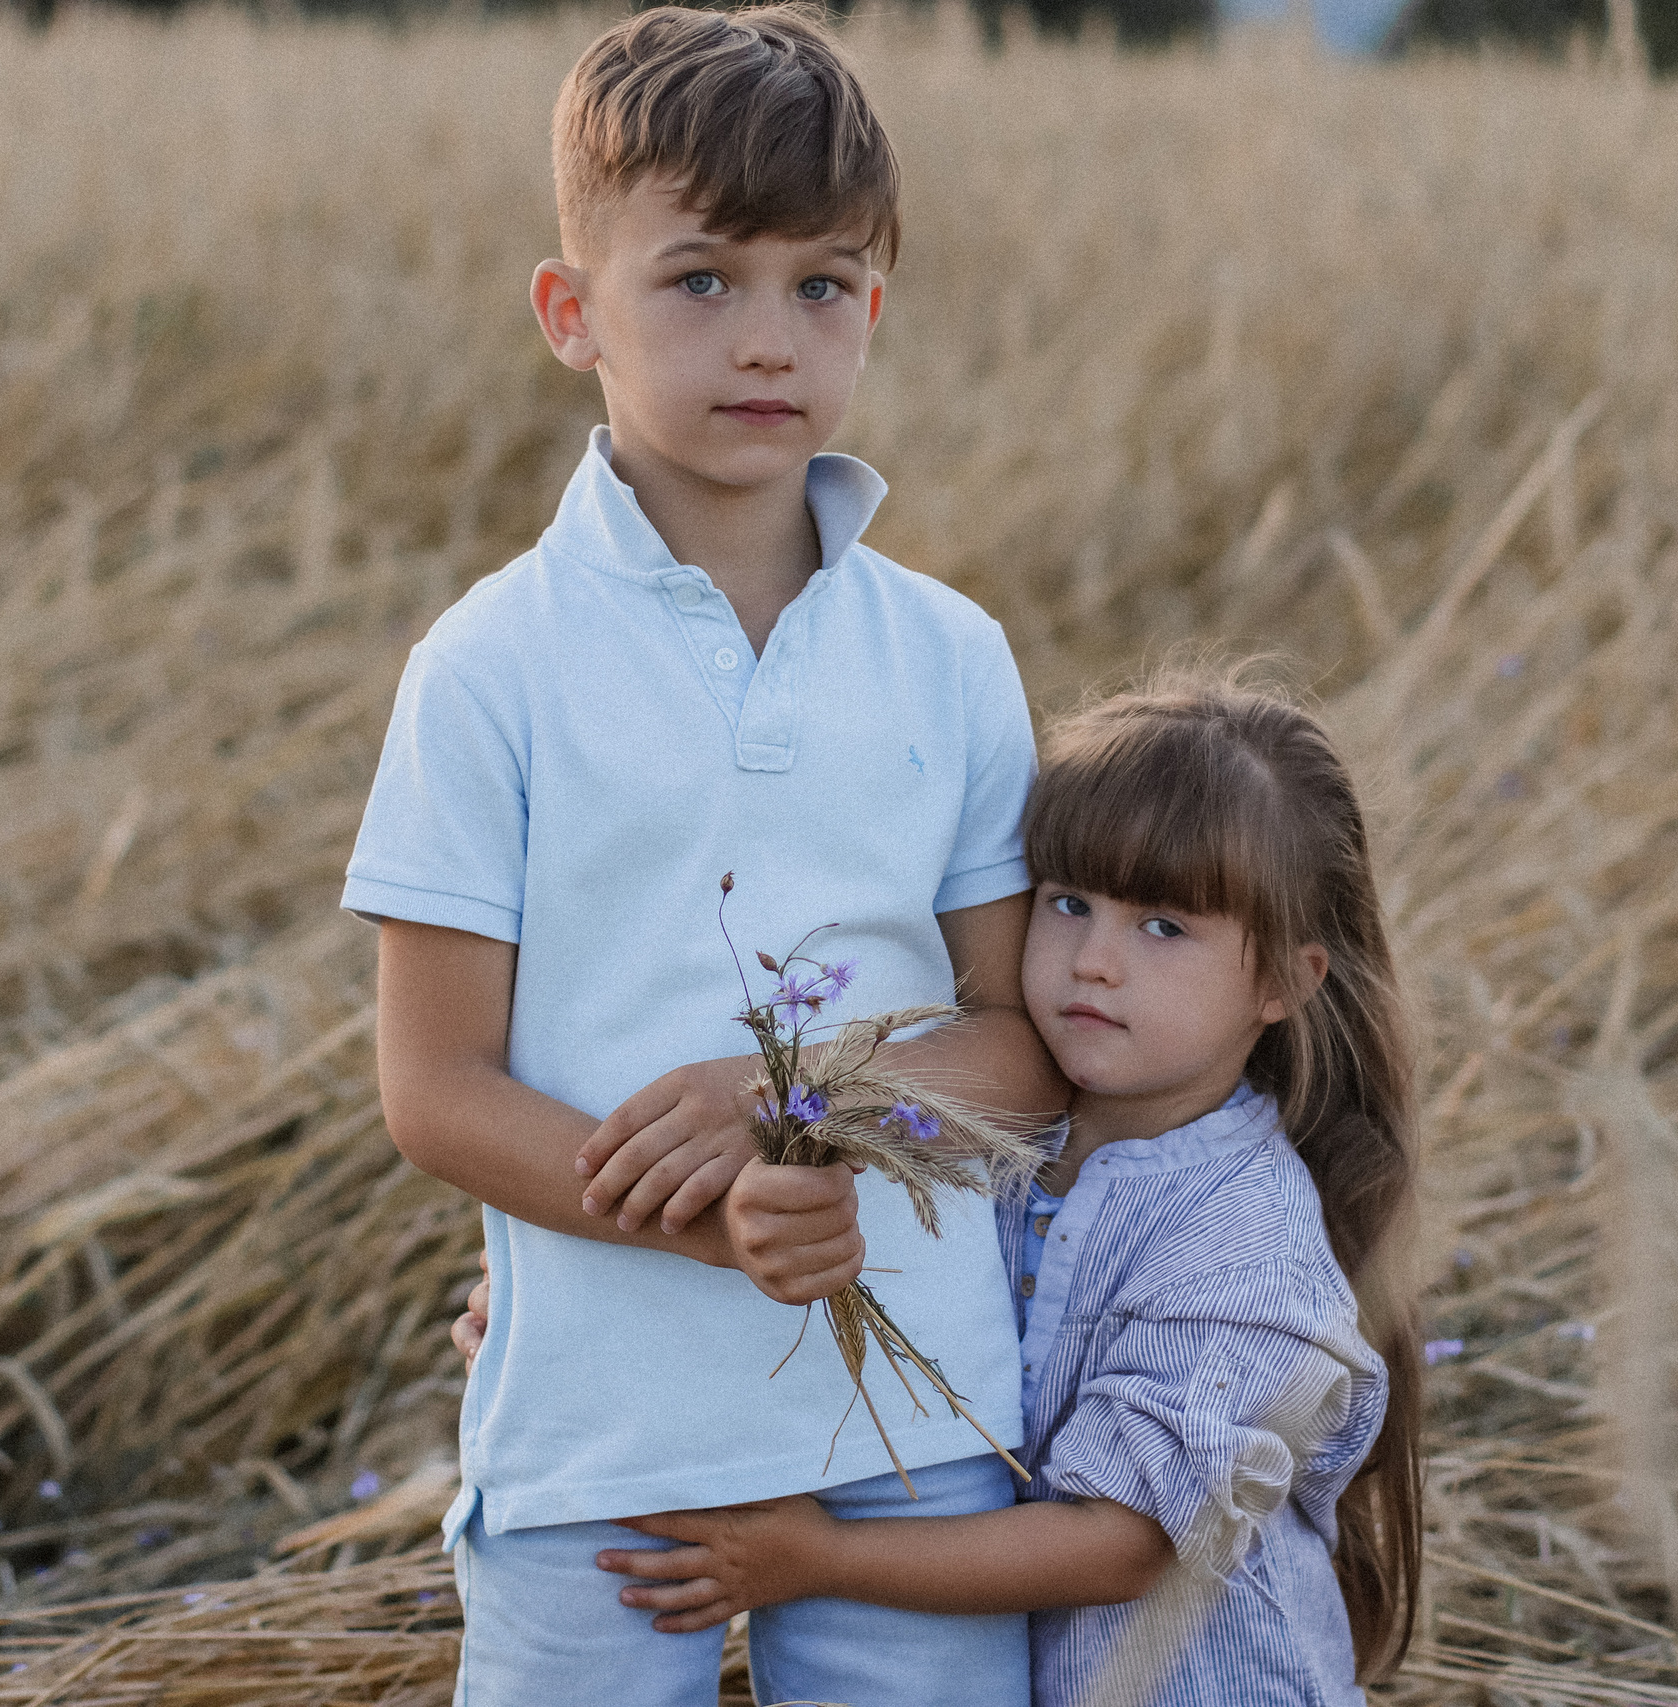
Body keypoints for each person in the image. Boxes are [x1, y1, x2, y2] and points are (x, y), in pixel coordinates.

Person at [349, 9, 1069, 1704]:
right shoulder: (490, 663)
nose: (768, 338)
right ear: (569, 312)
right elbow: (435, 1087)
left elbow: (1021, 1046)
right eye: (701, 279)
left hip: (913, 1425)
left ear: (874, 313)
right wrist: (707, 1223)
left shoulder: (951, 654)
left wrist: (799, 1096)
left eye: (822, 284)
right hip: (596, 1430)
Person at [455, 674, 1429, 1703]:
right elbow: (823, 1271)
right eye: (1067, 902)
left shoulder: (1244, 1242)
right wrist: (569, 1306)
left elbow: (1123, 1547)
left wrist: (819, 1560)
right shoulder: (975, 1141)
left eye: (1164, 929)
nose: (1093, 961)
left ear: (1284, 980)